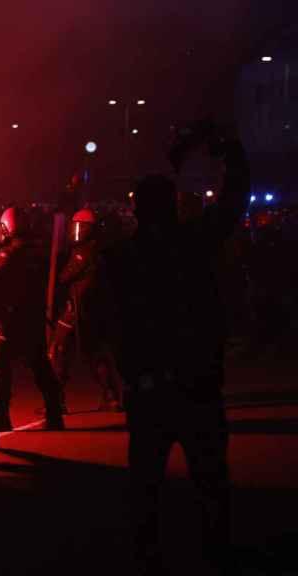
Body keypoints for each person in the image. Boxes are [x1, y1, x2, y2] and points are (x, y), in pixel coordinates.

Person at [105, 130, 249, 574]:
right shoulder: (194, 243)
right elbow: (232, 203)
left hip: (150, 389)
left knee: (146, 483)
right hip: (197, 384)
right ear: (171, 206)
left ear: (136, 209)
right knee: (210, 480)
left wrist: (121, 370)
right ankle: (216, 552)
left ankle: (146, 555)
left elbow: (109, 321)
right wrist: (228, 150)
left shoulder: (122, 257)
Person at [0, 206, 66, 431]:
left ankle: (1, 417)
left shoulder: (10, 253)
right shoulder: (38, 252)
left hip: (12, 318)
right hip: (34, 316)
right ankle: (55, 415)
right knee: (40, 366)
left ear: (6, 228)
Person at [48, 208, 122, 412]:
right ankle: (112, 396)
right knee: (95, 353)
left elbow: (63, 278)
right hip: (91, 312)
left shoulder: (83, 253)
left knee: (57, 351)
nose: (77, 231)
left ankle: (56, 402)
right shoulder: (99, 251)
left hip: (76, 311)